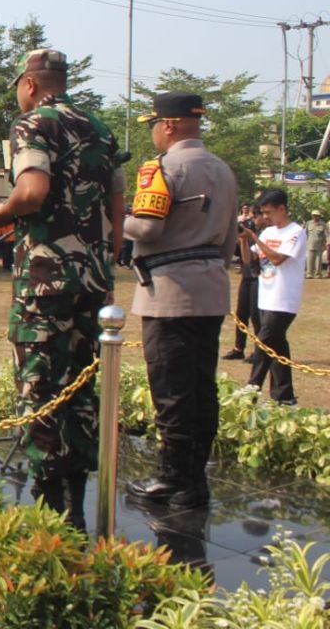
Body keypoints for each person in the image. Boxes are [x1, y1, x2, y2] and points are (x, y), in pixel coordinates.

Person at [0, 48, 123, 527]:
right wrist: (105, 259)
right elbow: (117, 205)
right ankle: (77, 505)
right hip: (94, 279)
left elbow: (32, 192)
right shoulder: (99, 128)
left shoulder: (33, 124)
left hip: (46, 280)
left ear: (29, 84)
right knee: (82, 390)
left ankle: (47, 509)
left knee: (40, 389)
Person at [122, 91, 236, 510]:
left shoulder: (162, 167)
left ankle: (173, 480)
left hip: (170, 291)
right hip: (211, 286)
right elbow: (227, 243)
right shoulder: (223, 170)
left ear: (168, 124)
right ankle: (194, 478)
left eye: (154, 124)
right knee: (201, 389)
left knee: (171, 390)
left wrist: (122, 219)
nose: (153, 132)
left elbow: (148, 230)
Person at [242, 188, 306, 406]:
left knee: (263, 346)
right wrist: (243, 240)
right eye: (263, 213)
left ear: (282, 208)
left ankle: (251, 391)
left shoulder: (295, 231)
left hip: (284, 299)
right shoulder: (267, 233)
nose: (266, 217)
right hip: (265, 296)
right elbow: (251, 261)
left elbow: (278, 259)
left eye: (269, 212)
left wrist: (255, 240)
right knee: (277, 346)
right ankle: (285, 395)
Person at [223, 203, 262, 362]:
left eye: (254, 217)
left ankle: (259, 350)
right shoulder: (250, 232)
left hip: (259, 279)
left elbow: (257, 257)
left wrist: (252, 236)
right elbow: (246, 259)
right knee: (241, 314)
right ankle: (239, 348)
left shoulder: (265, 233)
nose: (251, 221)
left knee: (256, 316)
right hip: (247, 276)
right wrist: (242, 240)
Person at [304, 209, 327, 279]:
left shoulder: (323, 224)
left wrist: (324, 244)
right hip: (310, 245)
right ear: (312, 216)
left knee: (318, 261)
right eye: (314, 215)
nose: (315, 217)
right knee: (309, 261)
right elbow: (305, 234)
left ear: (319, 216)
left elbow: (326, 235)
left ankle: (318, 274)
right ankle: (309, 274)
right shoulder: (308, 223)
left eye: (317, 215)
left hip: (319, 245)